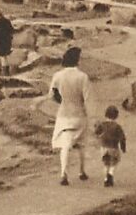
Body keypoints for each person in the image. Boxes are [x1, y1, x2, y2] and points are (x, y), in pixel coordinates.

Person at [49, 47, 92, 186]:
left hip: (64, 114)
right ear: (77, 60)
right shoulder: (83, 77)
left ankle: (63, 173)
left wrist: (61, 102)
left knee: (65, 146)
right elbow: (87, 98)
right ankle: (82, 171)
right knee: (81, 144)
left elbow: (52, 95)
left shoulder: (58, 76)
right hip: (79, 114)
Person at [94, 105, 127, 187]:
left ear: (106, 114)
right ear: (116, 116)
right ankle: (111, 174)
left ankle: (105, 179)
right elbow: (122, 138)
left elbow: (96, 132)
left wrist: (98, 135)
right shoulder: (117, 127)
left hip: (104, 147)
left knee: (106, 163)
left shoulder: (102, 124)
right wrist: (123, 148)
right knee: (114, 162)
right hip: (113, 147)